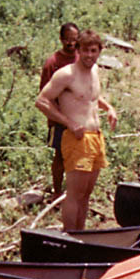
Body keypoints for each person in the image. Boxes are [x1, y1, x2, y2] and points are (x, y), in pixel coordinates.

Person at [35, 29, 117, 231]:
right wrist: (69, 123)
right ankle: (70, 237)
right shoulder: (66, 75)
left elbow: (91, 98)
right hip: (76, 138)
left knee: (86, 194)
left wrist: (109, 108)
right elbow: (41, 101)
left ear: (99, 51)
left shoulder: (95, 71)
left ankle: (81, 237)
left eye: (94, 51)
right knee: (74, 194)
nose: (89, 55)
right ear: (77, 50)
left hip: (95, 137)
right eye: (85, 51)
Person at [39, 22, 79, 195]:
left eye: (74, 39)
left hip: (79, 117)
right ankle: (57, 191)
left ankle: (73, 191)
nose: (71, 43)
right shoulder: (53, 63)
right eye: (67, 39)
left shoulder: (81, 59)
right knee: (60, 156)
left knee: (77, 156)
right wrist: (58, 116)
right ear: (61, 39)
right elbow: (44, 94)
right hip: (59, 118)